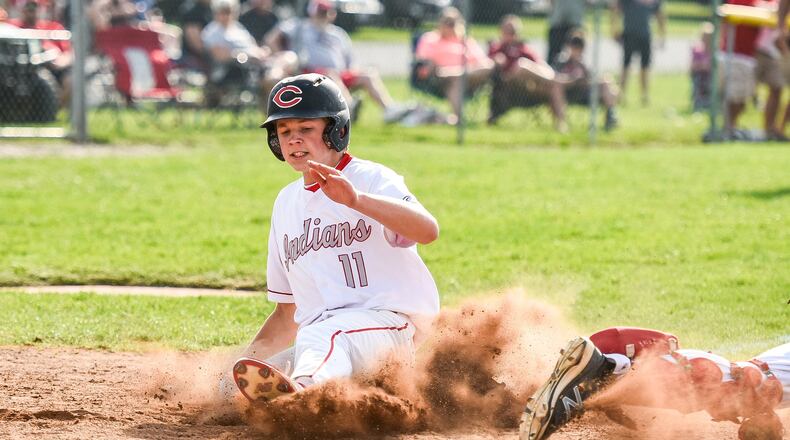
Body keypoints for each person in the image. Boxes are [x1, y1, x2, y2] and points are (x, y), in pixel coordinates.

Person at [231, 74, 441, 402]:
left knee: (324, 336)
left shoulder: (371, 179)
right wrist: (241, 365)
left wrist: (356, 200)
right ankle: (307, 396)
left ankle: (304, 397)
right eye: (284, 131)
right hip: (327, 345)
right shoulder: (286, 203)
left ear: (335, 131)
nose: (293, 140)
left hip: (387, 327)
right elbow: (287, 315)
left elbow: (427, 231)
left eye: (305, 128)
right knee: (232, 389)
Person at [520, 327, 788, 440]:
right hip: (727, 376)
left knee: (684, 398)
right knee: (708, 383)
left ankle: (602, 374)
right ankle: (596, 374)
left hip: (728, 379)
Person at [266, 0, 409, 123]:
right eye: (321, 12)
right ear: (312, 12)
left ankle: (389, 109)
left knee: (368, 74)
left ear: (332, 14)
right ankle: (349, 108)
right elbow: (271, 39)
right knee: (330, 74)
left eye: (327, 12)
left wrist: (353, 72)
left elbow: (351, 61)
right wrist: (283, 55)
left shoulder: (338, 34)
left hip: (340, 74)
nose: (324, 16)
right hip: (310, 74)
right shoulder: (299, 26)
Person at [201, 0, 296, 107]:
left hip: (256, 63)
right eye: (223, 12)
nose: (227, 15)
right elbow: (220, 56)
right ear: (216, 13)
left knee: (289, 58)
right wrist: (246, 56)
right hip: (237, 70)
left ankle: (280, 99)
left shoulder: (238, 28)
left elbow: (252, 45)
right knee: (275, 78)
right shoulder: (212, 32)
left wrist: (261, 52)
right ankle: (277, 107)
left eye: (230, 11)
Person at [414, 7, 494, 125]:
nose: (449, 26)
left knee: (489, 66)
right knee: (455, 81)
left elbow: (482, 61)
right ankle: (459, 121)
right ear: (439, 22)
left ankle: (456, 73)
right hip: (439, 79)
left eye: (452, 23)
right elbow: (423, 62)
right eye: (446, 22)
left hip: (469, 78)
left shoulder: (466, 40)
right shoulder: (430, 38)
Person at [487, 14, 568, 130]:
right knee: (522, 65)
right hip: (507, 85)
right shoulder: (497, 47)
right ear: (501, 31)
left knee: (553, 87)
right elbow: (488, 65)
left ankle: (561, 125)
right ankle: (557, 80)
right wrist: (497, 61)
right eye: (507, 31)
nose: (510, 35)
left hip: (527, 88)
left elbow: (540, 65)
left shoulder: (523, 49)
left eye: (513, 32)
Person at [7, 0, 71, 106]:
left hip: (52, 67)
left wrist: (59, 62)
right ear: (22, 10)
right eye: (28, 9)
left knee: (70, 80)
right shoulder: (12, 26)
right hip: (20, 69)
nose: (31, 12)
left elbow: (68, 54)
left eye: (34, 9)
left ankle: (57, 107)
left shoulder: (53, 27)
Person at [554, 32, 619, 130]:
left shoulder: (583, 63)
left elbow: (591, 78)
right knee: (608, 86)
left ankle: (611, 115)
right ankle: (562, 124)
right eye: (574, 47)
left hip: (584, 92)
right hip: (568, 93)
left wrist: (583, 73)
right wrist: (572, 79)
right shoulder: (561, 61)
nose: (577, 51)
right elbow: (555, 80)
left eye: (579, 48)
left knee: (606, 82)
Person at [611, 0, 666, 106]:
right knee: (625, 65)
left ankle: (644, 96)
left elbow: (660, 15)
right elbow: (616, 9)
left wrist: (662, 35)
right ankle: (621, 94)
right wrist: (614, 29)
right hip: (629, 34)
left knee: (645, 66)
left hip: (645, 35)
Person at [546, 0, 586, 66]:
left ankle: (577, 72)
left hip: (575, 19)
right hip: (558, 20)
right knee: (554, 55)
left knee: (576, 51)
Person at [690, 22, 713, 112]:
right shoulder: (698, 50)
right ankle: (698, 103)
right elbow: (693, 65)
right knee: (699, 81)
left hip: (710, 76)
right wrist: (702, 66)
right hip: (700, 76)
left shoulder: (714, 51)